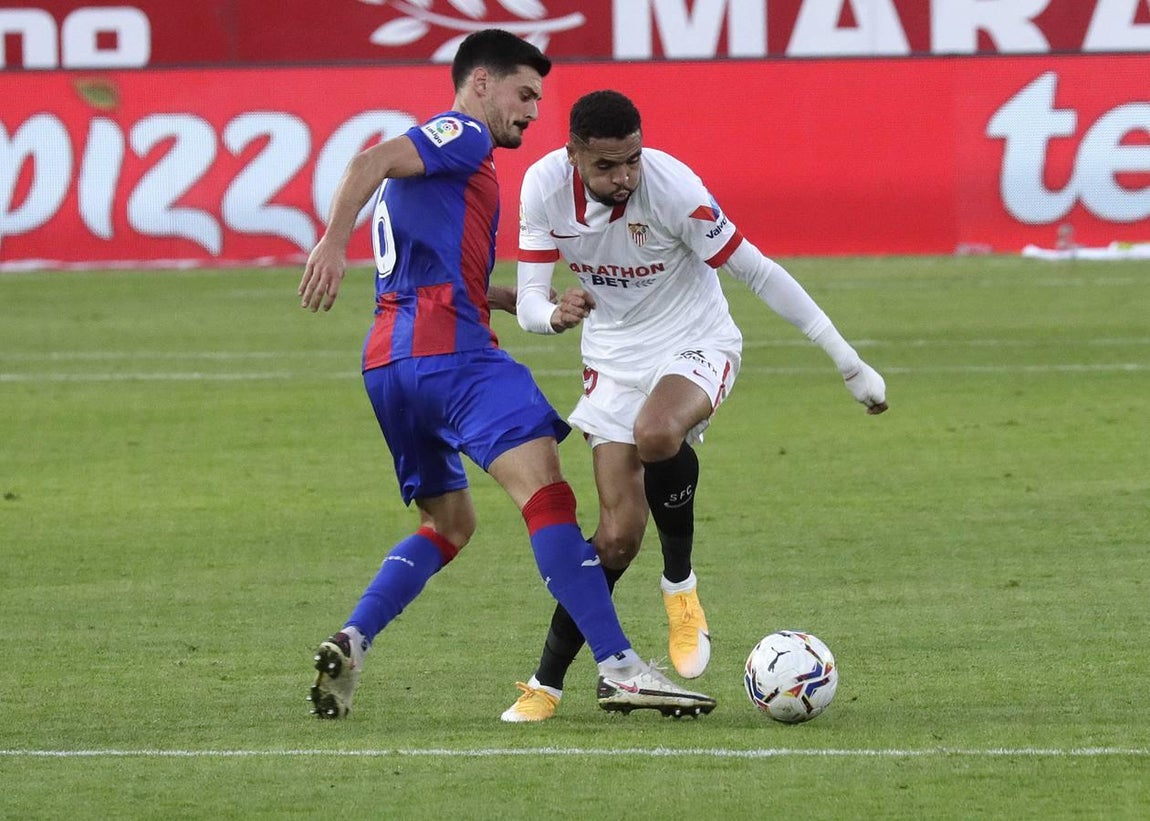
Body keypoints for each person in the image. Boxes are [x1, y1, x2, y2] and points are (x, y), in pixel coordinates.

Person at [297, 33, 715, 720]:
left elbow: (442, 273)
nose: (531, 112)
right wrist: (332, 241)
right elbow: (370, 159)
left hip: (388, 364)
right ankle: (620, 667)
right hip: (453, 356)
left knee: (449, 522)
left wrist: (525, 303)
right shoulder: (461, 133)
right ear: (482, 82)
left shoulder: (449, 176)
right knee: (548, 496)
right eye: (525, 94)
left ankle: (354, 637)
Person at [501, 89, 888, 722]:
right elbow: (531, 303)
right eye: (606, 167)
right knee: (617, 537)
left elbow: (758, 272)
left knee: (657, 433)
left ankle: (680, 586)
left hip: (695, 341)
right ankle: (546, 684)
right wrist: (553, 316)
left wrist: (848, 361)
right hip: (614, 358)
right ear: (572, 156)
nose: (624, 177)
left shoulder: (674, 188)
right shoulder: (542, 189)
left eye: (632, 159)